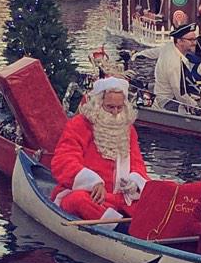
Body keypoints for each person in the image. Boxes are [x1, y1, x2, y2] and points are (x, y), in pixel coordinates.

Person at [50, 77, 149, 222]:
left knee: (154, 199)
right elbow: (63, 160)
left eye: (119, 107)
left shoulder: (128, 129)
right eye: (110, 107)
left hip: (120, 198)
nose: (115, 113)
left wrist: (134, 183)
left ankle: (130, 226)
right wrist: (94, 182)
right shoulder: (79, 125)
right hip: (88, 194)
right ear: (98, 104)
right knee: (79, 200)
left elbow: (137, 163)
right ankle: (119, 229)